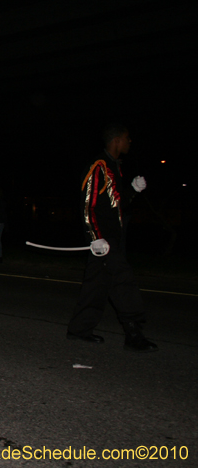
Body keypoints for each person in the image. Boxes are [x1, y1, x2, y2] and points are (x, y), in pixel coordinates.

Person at [66, 123, 157, 352]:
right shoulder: (99, 166)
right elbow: (87, 205)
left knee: (96, 285)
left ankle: (79, 329)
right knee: (123, 280)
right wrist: (95, 237)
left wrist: (132, 191)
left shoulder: (114, 167)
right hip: (103, 241)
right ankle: (133, 334)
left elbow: (115, 205)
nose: (129, 142)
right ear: (116, 140)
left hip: (110, 239)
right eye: (127, 138)